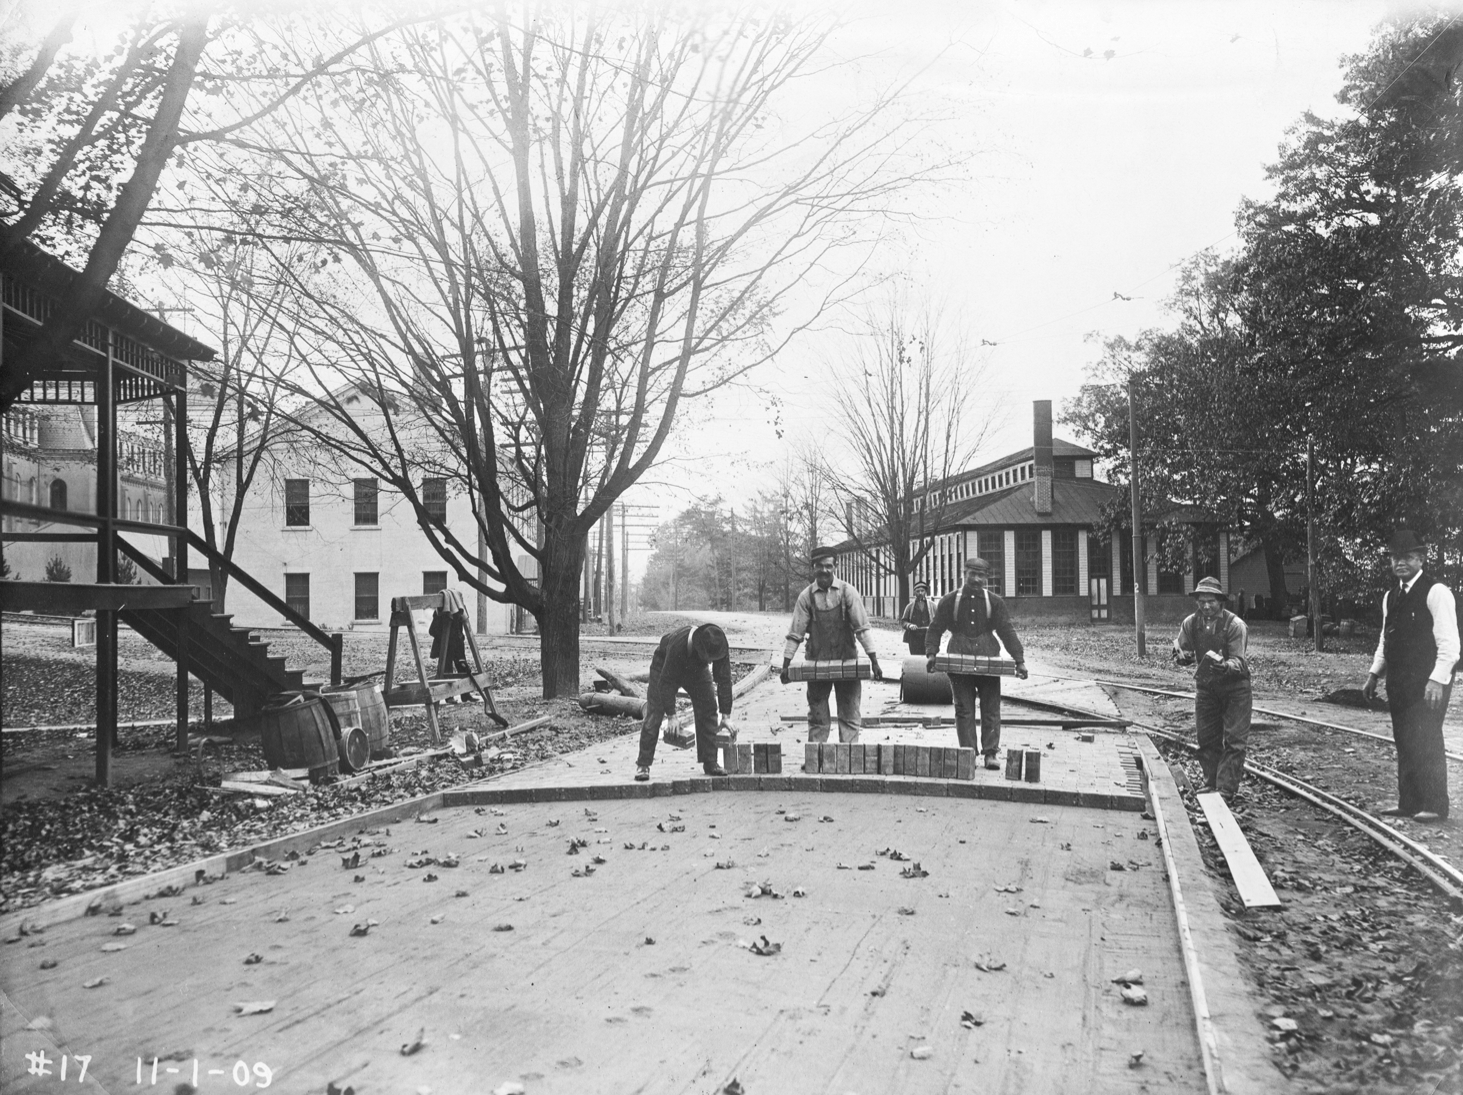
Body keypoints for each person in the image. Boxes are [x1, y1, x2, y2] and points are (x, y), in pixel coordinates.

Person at [1362, 530, 1458, 821]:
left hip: (1428, 682)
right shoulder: (1391, 597)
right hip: (1399, 681)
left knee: (1426, 738)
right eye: (1395, 557)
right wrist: (1374, 674)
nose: (1400, 562)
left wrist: (1437, 679)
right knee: (1404, 738)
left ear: (1421, 559)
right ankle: (1409, 802)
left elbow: (1450, 644)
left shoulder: (1436, 592)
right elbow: (1385, 639)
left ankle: (1435, 805)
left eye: (1407, 557)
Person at [924, 556, 1028, 769]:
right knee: (963, 708)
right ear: (964, 575)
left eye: (981, 575)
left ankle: (991, 753)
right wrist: (932, 654)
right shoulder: (950, 601)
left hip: (988, 658)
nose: (977, 579)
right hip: (957, 660)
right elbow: (935, 628)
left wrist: (1019, 660)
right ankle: (968, 753)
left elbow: (1006, 630)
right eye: (973, 574)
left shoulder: (995, 603)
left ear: (987, 578)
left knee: (991, 708)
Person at [779, 546, 884, 743]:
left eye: (829, 566)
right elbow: (795, 634)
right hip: (817, 664)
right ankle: (816, 758)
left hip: (847, 661)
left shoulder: (847, 592)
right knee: (818, 716)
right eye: (820, 566)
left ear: (835, 566)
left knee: (850, 714)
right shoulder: (806, 597)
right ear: (813, 567)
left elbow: (862, 629)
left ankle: (849, 759)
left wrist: (874, 661)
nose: (824, 570)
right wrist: (785, 666)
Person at [1172, 576, 1251, 800]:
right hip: (1206, 687)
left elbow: (1240, 661)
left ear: (1220, 601)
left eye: (1211, 601)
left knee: (1234, 740)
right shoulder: (1190, 623)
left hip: (1235, 688)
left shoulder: (1235, 625)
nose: (1206, 606)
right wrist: (1181, 657)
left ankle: (1226, 789)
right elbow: (1183, 650)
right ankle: (1211, 782)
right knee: (1206, 737)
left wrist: (1225, 665)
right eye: (1202, 601)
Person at [636, 623, 735, 780]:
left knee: (708, 707)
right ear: (699, 649)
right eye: (709, 659)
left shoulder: (718, 644)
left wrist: (726, 716)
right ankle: (643, 764)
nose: (711, 664)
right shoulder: (678, 646)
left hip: (696, 669)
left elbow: (724, 680)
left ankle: (710, 762)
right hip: (664, 665)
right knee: (655, 711)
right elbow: (665, 683)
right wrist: (672, 716)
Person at [899, 581, 934, 655]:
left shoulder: (932, 606)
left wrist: (932, 627)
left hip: (928, 636)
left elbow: (938, 620)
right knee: (915, 658)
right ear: (914, 593)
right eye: (918, 591)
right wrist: (909, 625)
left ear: (925, 592)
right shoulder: (910, 606)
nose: (920, 593)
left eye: (922, 591)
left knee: (928, 657)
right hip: (914, 637)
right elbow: (903, 621)